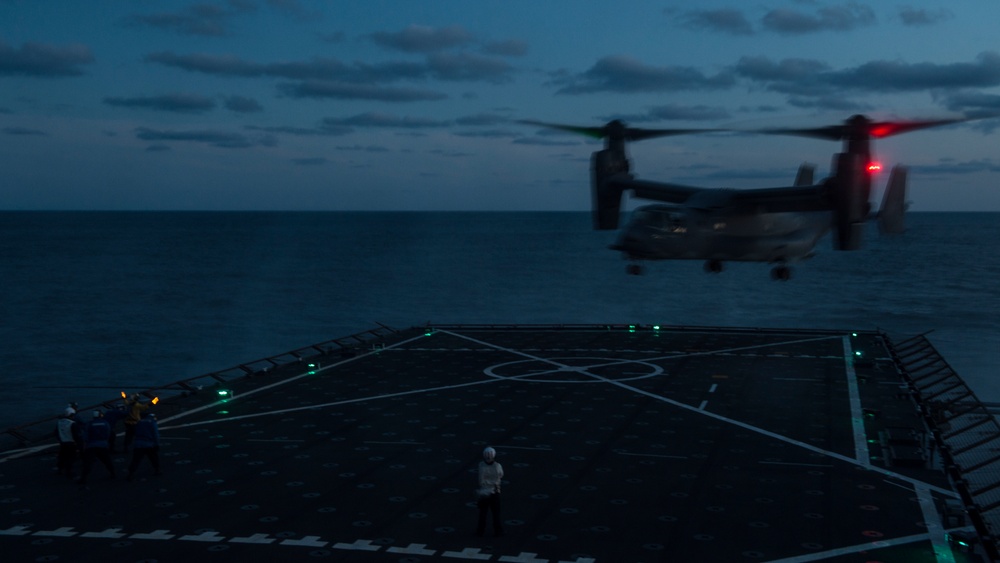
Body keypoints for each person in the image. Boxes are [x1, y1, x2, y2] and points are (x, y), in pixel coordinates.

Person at [78, 410, 115, 486]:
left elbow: (85, 436)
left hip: (91, 446)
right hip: (103, 445)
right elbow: (108, 433)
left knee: (87, 463)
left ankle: (83, 479)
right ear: (100, 415)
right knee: (107, 461)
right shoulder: (105, 423)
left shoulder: (89, 424)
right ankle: (113, 474)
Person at [476, 446, 504, 537]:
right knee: (496, 513)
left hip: (484, 492)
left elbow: (480, 479)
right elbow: (501, 475)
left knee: (483, 513)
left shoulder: (481, 465)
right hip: (495, 491)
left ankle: (480, 531)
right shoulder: (497, 466)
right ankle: (498, 531)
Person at [127, 413, 161, 480]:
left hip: (138, 444)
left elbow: (135, 432)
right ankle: (157, 470)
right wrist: (157, 444)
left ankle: (130, 473)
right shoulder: (152, 422)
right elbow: (155, 434)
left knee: (135, 460)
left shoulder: (138, 423)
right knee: (154, 458)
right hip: (149, 444)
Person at [55, 407, 81, 479]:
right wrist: (79, 445)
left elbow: (56, 432)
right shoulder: (72, 423)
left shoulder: (59, 422)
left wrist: (60, 439)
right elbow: (76, 435)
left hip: (63, 443)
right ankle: (69, 473)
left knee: (62, 457)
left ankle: (60, 470)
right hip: (71, 443)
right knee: (71, 458)